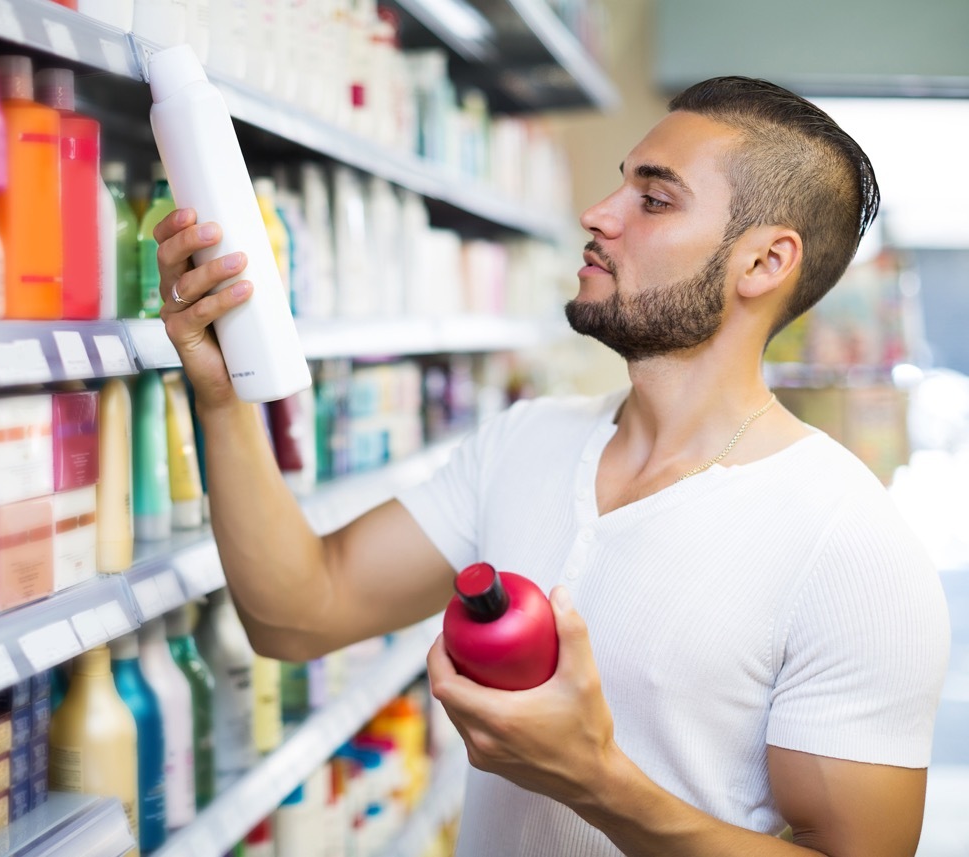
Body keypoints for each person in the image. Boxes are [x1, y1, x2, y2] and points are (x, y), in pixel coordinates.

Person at [152, 76, 950, 856]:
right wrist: (223, 399)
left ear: (765, 263)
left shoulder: (851, 548)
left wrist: (594, 779)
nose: (598, 215)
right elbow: (298, 612)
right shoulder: (525, 441)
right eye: (619, 186)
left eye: (655, 198)